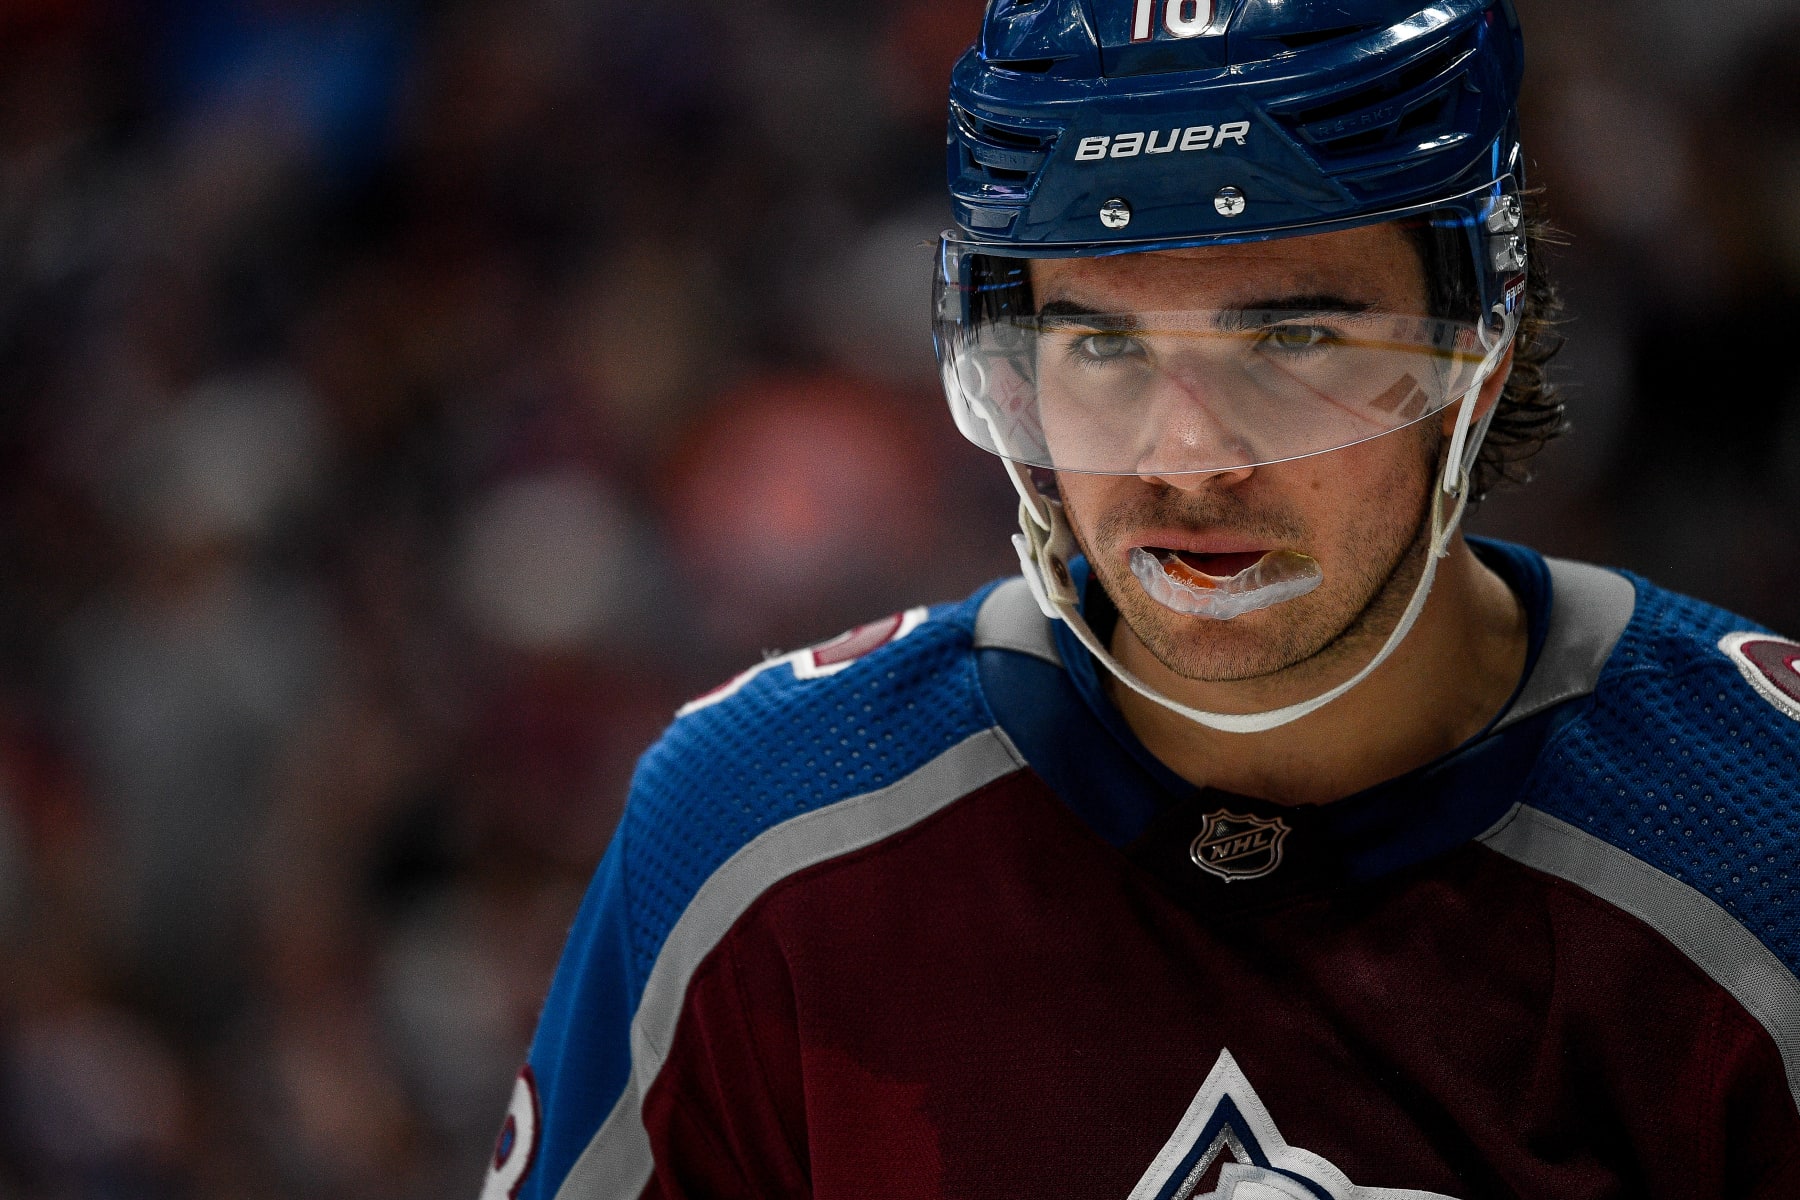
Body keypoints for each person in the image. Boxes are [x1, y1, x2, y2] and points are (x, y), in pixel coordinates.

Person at [484, 1, 1800, 1196]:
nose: (1189, 458)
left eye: (1292, 339)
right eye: (1104, 344)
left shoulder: (1765, 830)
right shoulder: (755, 831)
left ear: (1478, 341)